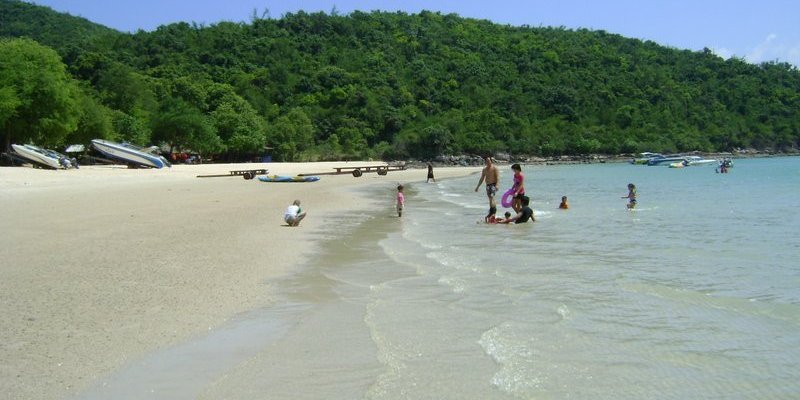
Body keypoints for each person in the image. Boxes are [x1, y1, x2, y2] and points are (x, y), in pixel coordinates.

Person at [475, 156, 500, 222]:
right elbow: (482, 178)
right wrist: (478, 186)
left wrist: (497, 185)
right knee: (490, 198)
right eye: (486, 161)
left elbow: (497, 177)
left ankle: (493, 211)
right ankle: (491, 211)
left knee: (491, 197)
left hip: (493, 184)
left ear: (491, 161)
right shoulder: (484, 169)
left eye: (489, 161)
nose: (488, 162)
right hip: (488, 185)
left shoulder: (494, 168)